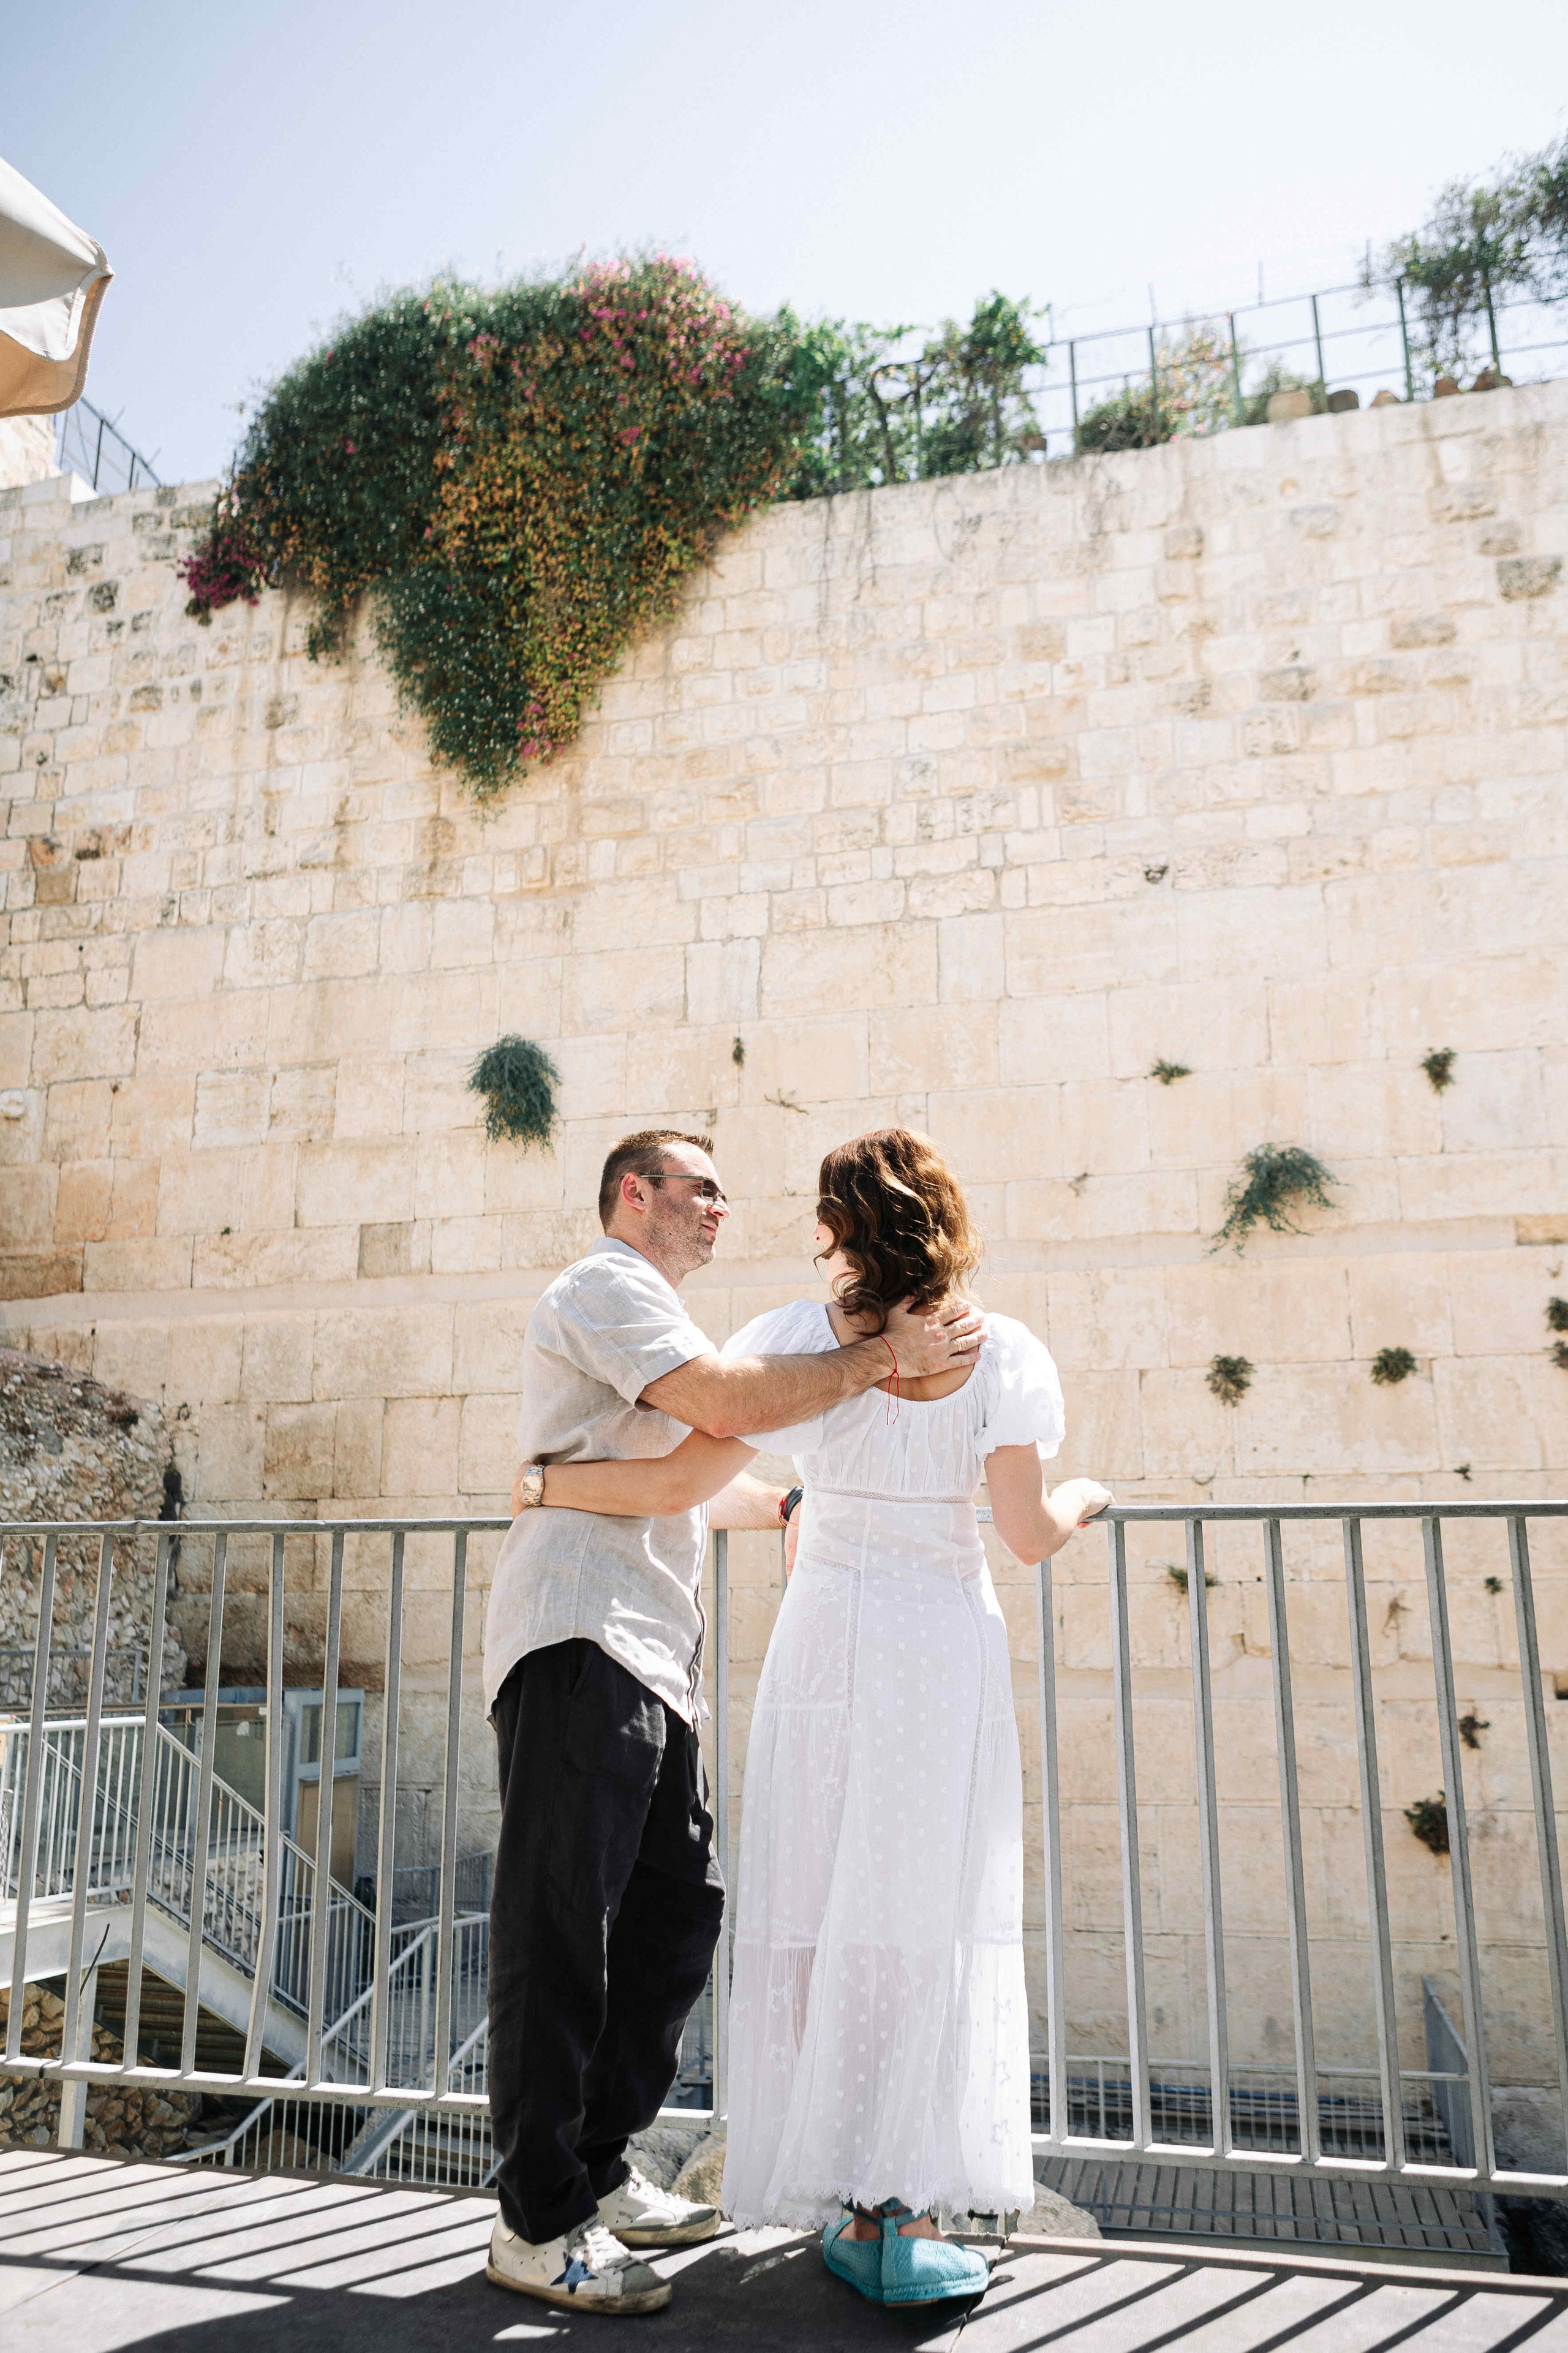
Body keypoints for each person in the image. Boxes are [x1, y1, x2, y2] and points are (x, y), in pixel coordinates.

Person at [519, 1126, 1111, 2310]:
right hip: (940, 1648)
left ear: (840, 1229)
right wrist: (1091, 1493)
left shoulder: (792, 1338)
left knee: (824, 1899)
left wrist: (551, 1482)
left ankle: (837, 2178)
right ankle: (908, 2204)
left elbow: (690, 1475)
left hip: (830, 1643)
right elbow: (1033, 1532)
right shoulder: (1007, 1354)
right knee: (924, 1911)